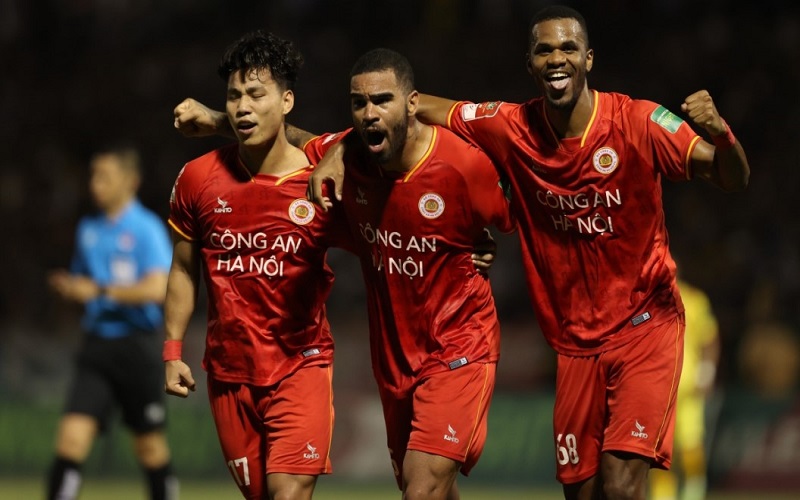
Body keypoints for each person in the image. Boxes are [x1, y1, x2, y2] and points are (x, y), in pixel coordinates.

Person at [305, 5, 750, 500]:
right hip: (575, 343)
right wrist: (341, 148)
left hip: (646, 325)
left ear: (588, 58)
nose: (557, 58)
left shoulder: (638, 121)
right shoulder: (510, 126)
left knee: (622, 486)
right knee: (582, 492)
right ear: (531, 63)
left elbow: (730, 176)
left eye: (568, 48)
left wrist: (721, 133)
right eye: (544, 50)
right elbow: (413, 107)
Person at [172, 47, 514, 500]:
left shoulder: (462, 164)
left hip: (459, 344)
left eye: (383, 100)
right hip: (395, 359)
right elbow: (282, 138)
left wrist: (478, 240)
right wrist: (221, 120)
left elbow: (518, 215)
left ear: (412, 103)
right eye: (359, 103)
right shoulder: (346, 163)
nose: (370, 113)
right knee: (428, 486)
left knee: (423, 488)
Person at [163, 30, 350, 500]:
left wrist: (466, 244)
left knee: (289, 494)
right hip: (229, 373)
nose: (243, 107)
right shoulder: (197, 179)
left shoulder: (321, 181)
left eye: (256, 94)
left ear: (287, 101)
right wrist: (172, 351)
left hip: (301, 365)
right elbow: (183, 270)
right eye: (234, 96)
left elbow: (386, 234)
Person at [46, 145, 177, 500]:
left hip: (137, 346)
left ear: (130, 181)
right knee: (71, 440)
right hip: (98, 344)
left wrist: (100, 290)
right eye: (93, 175)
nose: (95, 183)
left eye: (104, 176)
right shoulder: (88, 228)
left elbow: (158, 288)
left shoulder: (147, 228)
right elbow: (85, 283)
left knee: (149, 447)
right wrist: (70, 287)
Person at [650, 278, 719, 500]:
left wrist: (706, 373)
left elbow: (709, 338)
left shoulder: (695, 300)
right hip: (659, 388)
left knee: (691, 447)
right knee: (660, 451)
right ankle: (663, 497)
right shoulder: (650, 300)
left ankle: (694, 492)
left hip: (688, 389)